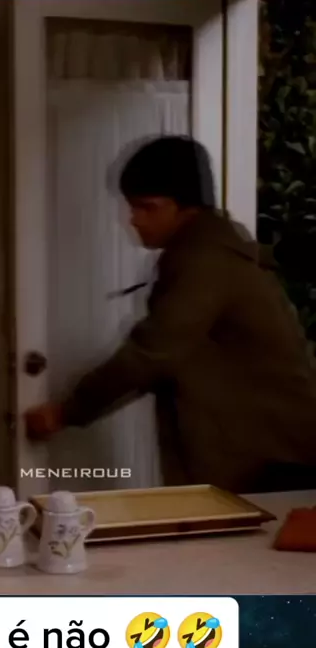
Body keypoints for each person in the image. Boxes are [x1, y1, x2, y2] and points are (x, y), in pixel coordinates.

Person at [25, 136, 316, 493]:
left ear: (186, 209)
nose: (134, 219)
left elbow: (151, 352)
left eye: (147, 208)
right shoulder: (211, 253)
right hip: (271, 459)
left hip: (274, 465)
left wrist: (66, 411)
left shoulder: (206, 264)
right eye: (133, 207)